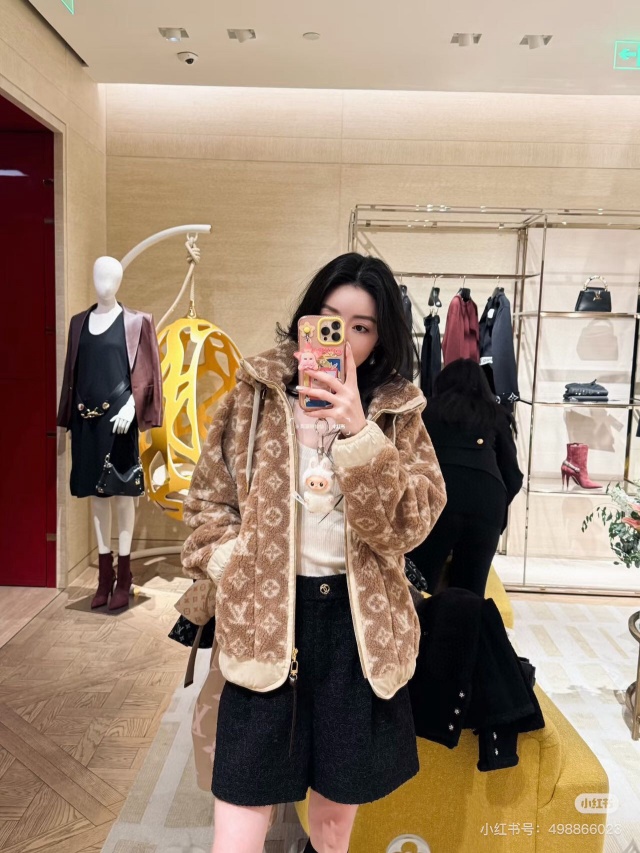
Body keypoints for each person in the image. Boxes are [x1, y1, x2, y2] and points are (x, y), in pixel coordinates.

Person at [181, 252, 446, 853]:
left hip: (355, 630)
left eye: (362, 326)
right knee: (238, 815)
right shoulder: (256, 392)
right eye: (329, 320)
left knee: (330, 827)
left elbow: (406, 527)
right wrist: (236, 566)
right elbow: (207, 501)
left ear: (380, 337)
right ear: (306, 320)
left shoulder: (398, 411)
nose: (342, 339)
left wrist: (359, 433)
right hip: (265, 614)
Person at [407, 358, 523, 598]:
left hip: (439, 501)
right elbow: (512, 475)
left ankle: (423, 622)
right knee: (470, 589)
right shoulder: (496, 415)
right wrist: (496, 504)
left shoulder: (425, 411)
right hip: (487, 500)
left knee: (419, 583)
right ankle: (466, 621)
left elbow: (409, 463)